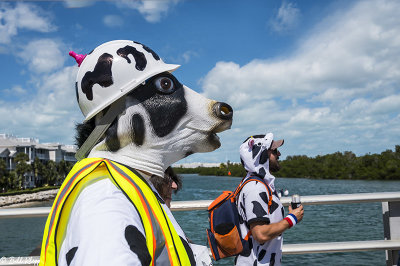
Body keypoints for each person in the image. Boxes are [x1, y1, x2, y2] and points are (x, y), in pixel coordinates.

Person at [235, 133, 304, 266]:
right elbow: (260, 234)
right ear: (261, 154)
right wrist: (292, 219)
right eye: (275, 151)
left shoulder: (257, 184)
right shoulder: (255, 188)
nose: (279, 154)